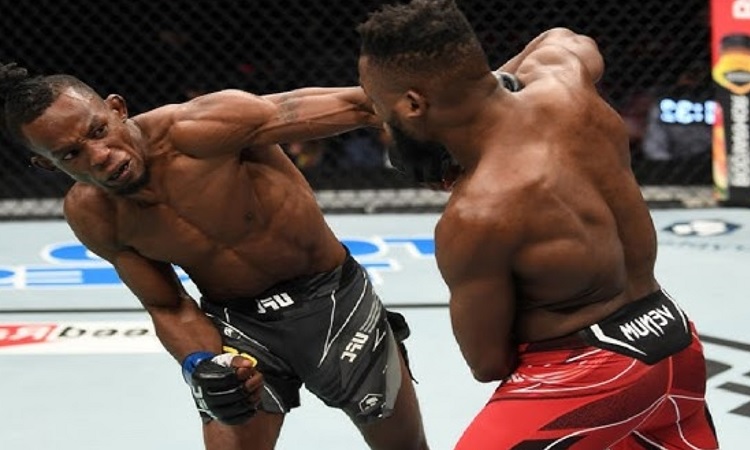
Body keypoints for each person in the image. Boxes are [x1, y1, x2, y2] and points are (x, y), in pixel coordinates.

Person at [0, 62, 429, 450]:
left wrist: (453, 126)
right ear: (46, 165)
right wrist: (204, 363)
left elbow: (362, 105)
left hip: (335, 301)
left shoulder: (201, 128)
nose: (100, 157)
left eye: (98, 131)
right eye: (70, 154)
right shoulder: (93, 215)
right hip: (240, 325)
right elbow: (167, 304)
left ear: (117, 108)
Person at [357, 1, 719, 448]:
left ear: (413, 104)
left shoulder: (478, 213)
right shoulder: (564, 80)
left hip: (594, 379)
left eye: (380, 109)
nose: (383, 124)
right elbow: (565, 36)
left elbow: (488, 363)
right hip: (674, 340)